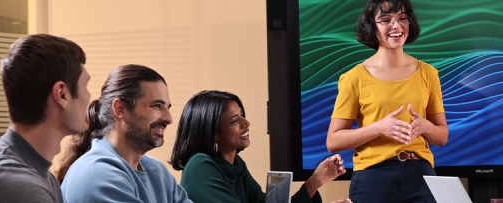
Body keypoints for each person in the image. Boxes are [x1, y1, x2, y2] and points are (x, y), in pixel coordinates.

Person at [326, 0, 448, 202]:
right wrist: (378, 128)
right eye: (386, 20)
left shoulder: (429, 73)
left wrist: (425, 126)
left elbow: (442, 137)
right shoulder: (353, 78)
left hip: (421, 174)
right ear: (371, 26)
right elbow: (333, 141)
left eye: (402, 18)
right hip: (373, 177)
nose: (397, 26)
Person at [170, 90, 349, 203]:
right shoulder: (200, 166)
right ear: (212, 133)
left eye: (242, 115)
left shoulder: (236, 164)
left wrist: (316, 181)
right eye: (234, 121)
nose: (246, 123)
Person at [58, 64, 191, 203]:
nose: (169, 119)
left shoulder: (157, 171)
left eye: (167, 107)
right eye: (156, 106)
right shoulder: (96, 174)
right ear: (120, 109)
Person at [0, 34, 90, 203]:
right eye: (85, 86)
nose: (88, 96)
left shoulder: (40, 175)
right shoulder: (21, 188)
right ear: (62, 94)